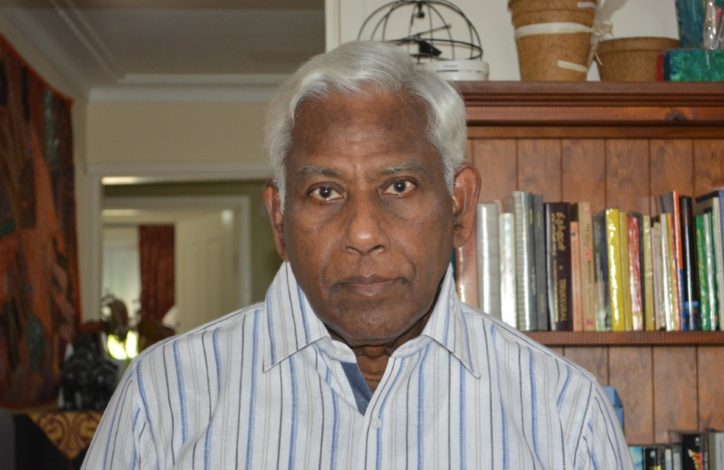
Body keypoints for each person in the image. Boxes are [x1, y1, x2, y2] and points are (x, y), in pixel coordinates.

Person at [83, 41, 631, 469]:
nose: (364, 233)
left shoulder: (565, 414)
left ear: (459, 205)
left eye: (399, 186)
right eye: (325, 191)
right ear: (279, 218)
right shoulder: (163, 399)